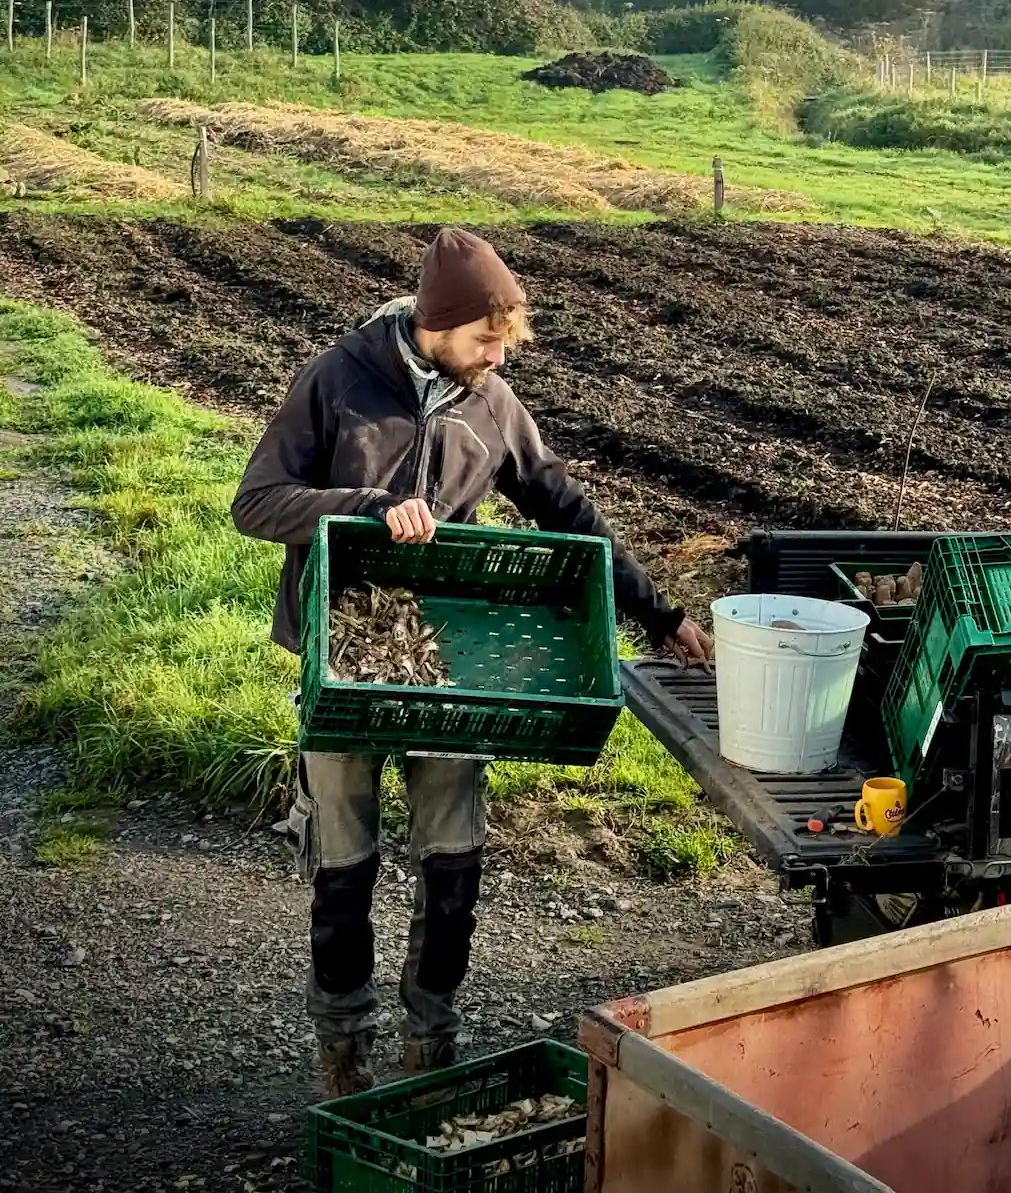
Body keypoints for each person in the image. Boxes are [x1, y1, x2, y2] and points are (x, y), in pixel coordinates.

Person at [232, 226, 709, 1098]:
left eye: (506, 342)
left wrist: (659, 613)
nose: (498, 356)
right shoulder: (337, 381)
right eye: (487, 339)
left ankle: (430, 1040)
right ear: (437, 323)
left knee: (454, 859)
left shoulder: (491, 403)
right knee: (343, 862)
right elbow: (257, 502)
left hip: (448, 655)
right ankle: (341, 1048)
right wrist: (371, 508)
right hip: (344, 654)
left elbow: (566, 506)